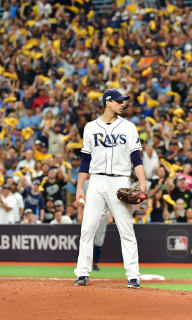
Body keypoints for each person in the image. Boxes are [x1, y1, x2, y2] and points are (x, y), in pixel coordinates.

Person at [73, 89, 146, 289]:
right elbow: (85, 160)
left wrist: (142, 181)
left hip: (120, 181)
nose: (122, 104)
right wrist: (80, 187)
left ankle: (133, 276)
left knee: (126, 230)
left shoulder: (129, 127)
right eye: (119, 101)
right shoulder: (90, 127)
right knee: (87, 228)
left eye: (123, 101)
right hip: (95, 181)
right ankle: (82, 273)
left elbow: (136, 157)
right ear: (108, 102)